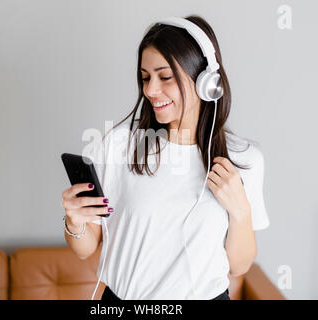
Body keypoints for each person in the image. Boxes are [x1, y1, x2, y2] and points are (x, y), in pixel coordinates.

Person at [61, 15, 270, 300]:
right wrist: (74, 223)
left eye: (165, 76)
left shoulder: (243, 159)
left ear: (206, 80)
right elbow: (86, 248)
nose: (150, 90)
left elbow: (239, 266)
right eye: (146, 78)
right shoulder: (119, 145)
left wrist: (241, 211)